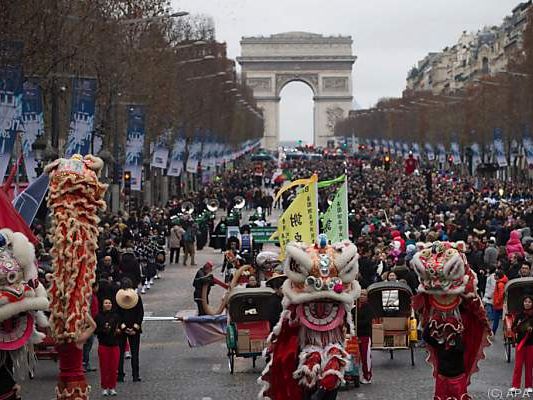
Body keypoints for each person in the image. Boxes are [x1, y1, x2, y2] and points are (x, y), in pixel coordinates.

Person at [116, 279, 144, 382]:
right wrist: (135, 328)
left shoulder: (118, 299)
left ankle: (120, 375)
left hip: (124, 329)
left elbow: (117, 315)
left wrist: (123, 327)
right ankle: (135, 375)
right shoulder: (137, 298)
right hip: (133, 329)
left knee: (121, 353)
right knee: (134, 353)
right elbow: (140, 314)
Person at [95, 298, 121, 396]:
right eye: (106, 303)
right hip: (103, 345)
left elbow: (119, 329)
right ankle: (104, 387)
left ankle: (112, 387)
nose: (108, 304)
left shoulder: (116, 316)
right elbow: (96, 331)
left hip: (114, 345)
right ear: (102, 305)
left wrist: (119, 332)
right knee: (104, 367)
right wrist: (103, 329)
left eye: (109, 303)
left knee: (113, 368)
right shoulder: (98, 317)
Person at [509, 295, 533, 394]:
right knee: (518, 366)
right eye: (525, 301)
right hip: (521, 343)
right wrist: (520, 327)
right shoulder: (519, 315)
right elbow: (513, 328)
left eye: (529, 302)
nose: (527, 303)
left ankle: (529, 386)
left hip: (531, 343)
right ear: (523, 303)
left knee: (529, 366)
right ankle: (515, 385)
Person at [355, 289, 373, 384]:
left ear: (367, 297)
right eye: (361, 294)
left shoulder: (369, 308)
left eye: (364, 295)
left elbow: (366, 321)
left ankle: (367, 376)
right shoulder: (355, 307)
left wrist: (356, 324)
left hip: (365, 335)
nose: (362, 296)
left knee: (365, 357)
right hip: (355, 336)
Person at [492, 270, 508, 334]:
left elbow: (501, 294)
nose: (494, 276)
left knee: (496, 320)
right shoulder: (500, 282)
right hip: (500, 305)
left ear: (498, 276)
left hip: (499, 305)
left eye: (495, 275)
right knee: (502, 319)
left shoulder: (500, 284)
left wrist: (496, 301)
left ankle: (493, 332)